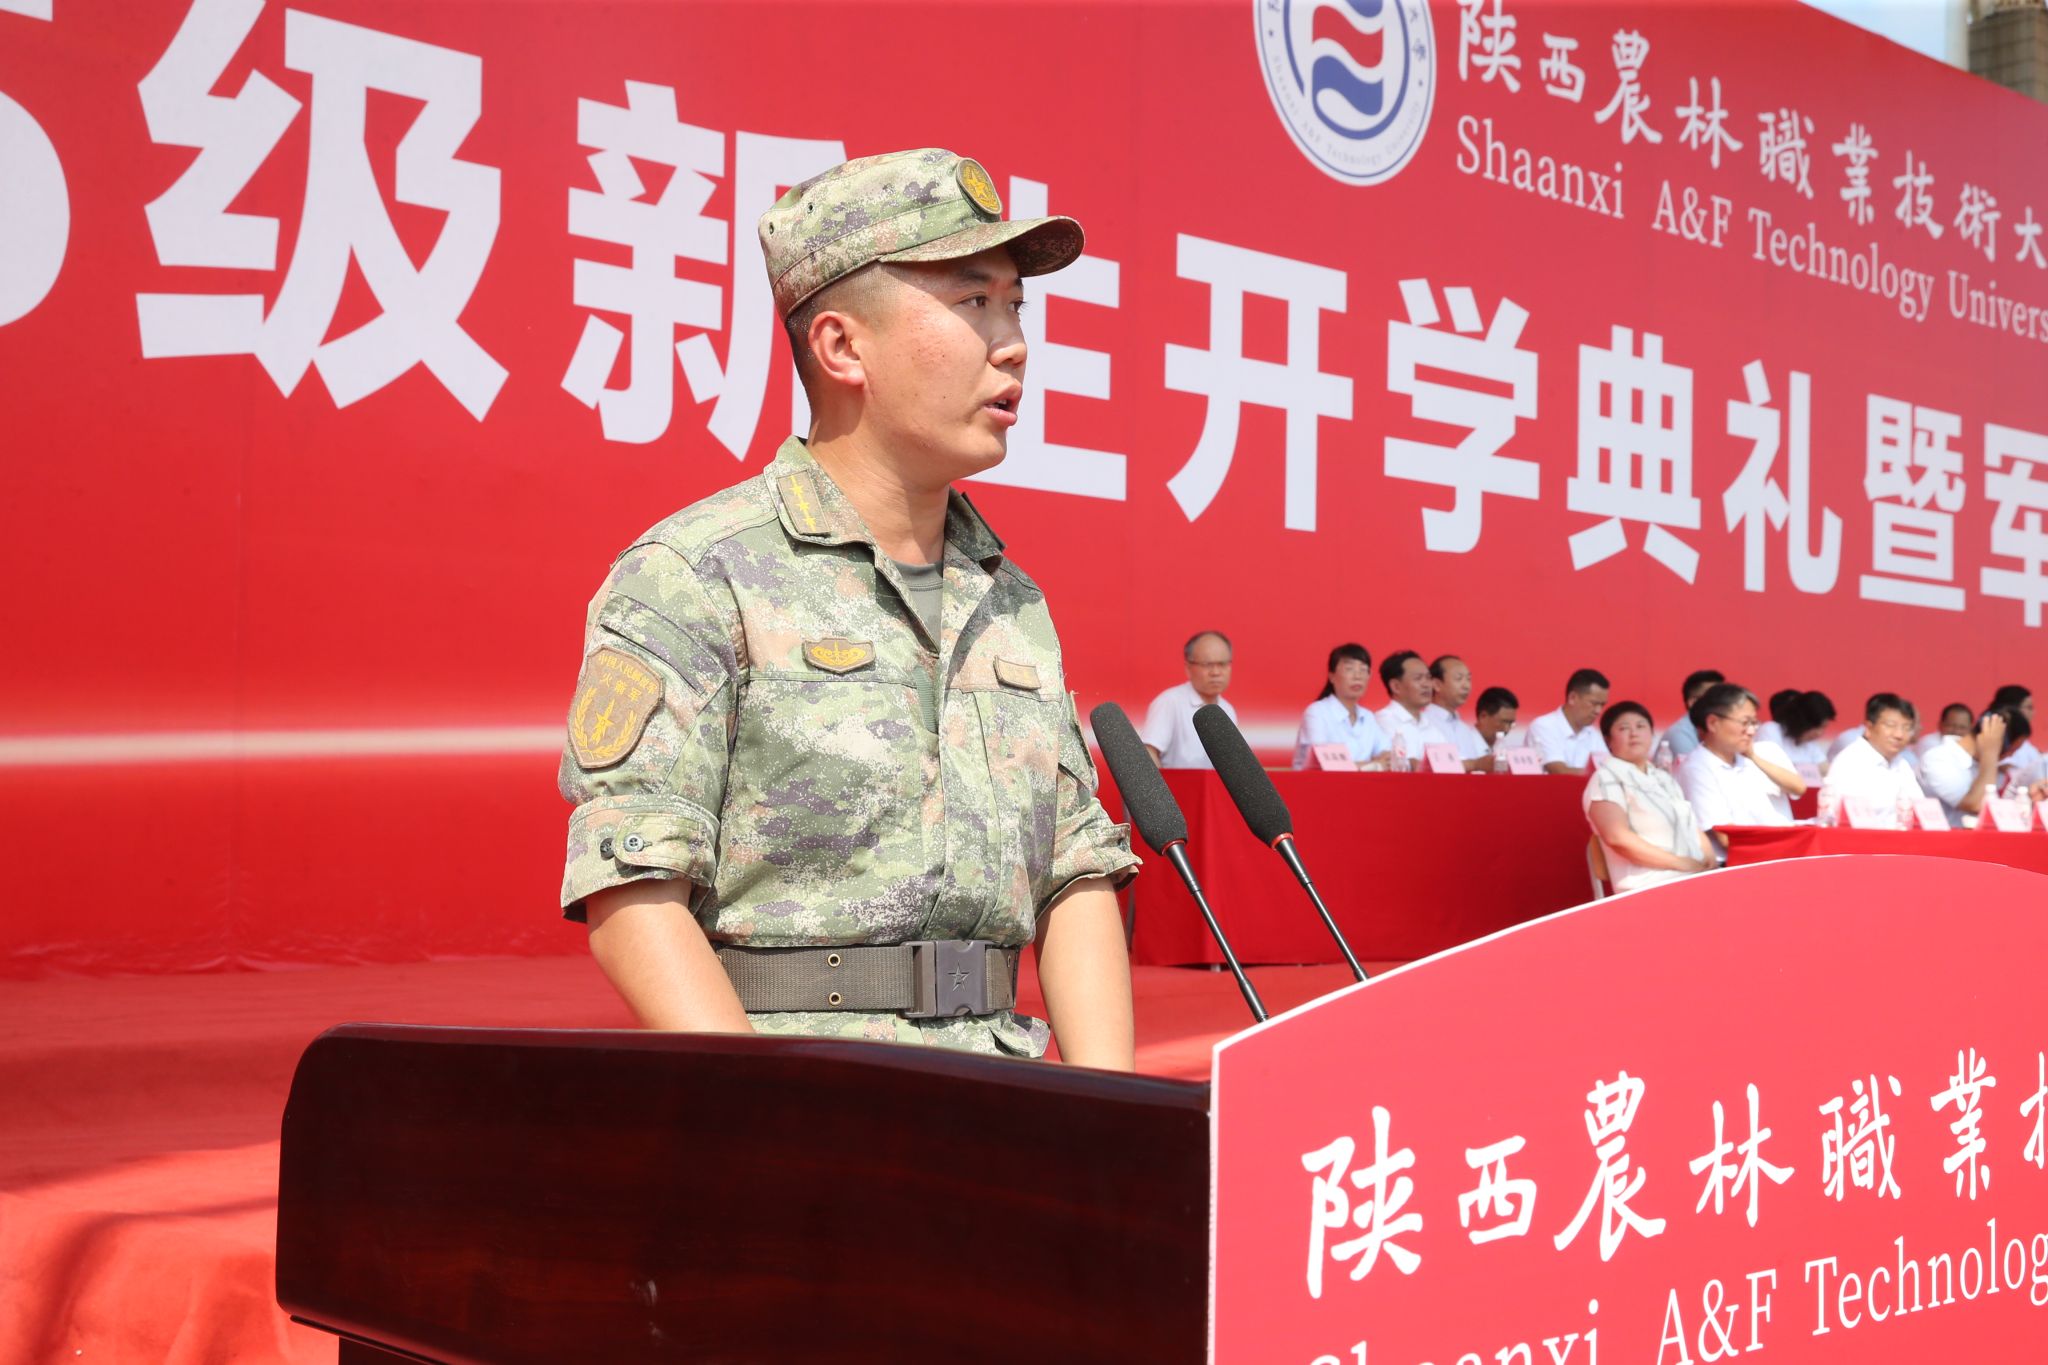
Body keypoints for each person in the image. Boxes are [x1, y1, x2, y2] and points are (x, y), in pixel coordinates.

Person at [558, 148, 1138, 1068]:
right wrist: (769, 1116)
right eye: (974, 301)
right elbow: (633, 887)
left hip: (1004, 1095)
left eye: (1016, 306)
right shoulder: (698, 574)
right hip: (805, 1092)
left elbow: (1075, 871)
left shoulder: (1010, 601)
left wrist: (1110, 1114)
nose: (1013, 343)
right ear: (840, 347)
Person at [1584, 701, 1714, 892]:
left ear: (1652, 735)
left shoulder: (1663, 777)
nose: (1634, 733)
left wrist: (1709, 858)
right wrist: (1678, 863)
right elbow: (1617, 838)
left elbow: (1690, 823)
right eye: (1623, 728)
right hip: (1649, 885)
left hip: (1692, 876)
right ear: (1608, 740)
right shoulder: (1605, 778)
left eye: (1640, 726)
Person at [1676, 682, 1805, 856]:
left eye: (1754, 723)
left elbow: (1799, 788)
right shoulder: (1697, 768)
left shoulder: (1748, 756)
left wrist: (1753, 757)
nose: (1751, 731)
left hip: (1776, 853)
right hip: (1740, 863)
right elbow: (1727, 838)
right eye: (1745, 723)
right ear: (1713, 723)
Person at [1819, 693, 1926, 826]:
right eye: (1890, 725)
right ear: (1869, 728)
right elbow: (1842, 819)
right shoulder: (1851, 762)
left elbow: (1919, 807)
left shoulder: (1901, 763)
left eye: (1906, 728)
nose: (1899, 735)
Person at [1140, 631, 1236, 768]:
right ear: (1188, 668)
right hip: (1175, 782)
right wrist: (1159, 782)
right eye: (1207, 664)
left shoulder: (1228, 709)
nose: (1216, 672)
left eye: (1222, 664)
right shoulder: (1170, 701)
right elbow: (1148, 752)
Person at [1292, 643, 1391, 769]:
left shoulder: (1368, 717)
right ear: (1331, 676)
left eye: (1363, 670)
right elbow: (1323, 764)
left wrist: (1380, 761)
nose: (1357, 676)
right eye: (1349, 669)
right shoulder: (1317, 712)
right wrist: (1372, 765)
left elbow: (1388, 755)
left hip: (1362, 781)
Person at [1920, 708, 2021, 826]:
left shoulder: (1986, 765)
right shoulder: (1938, 758)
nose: (2010, 756)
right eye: (2011, 750)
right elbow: (1977, 804)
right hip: (1944, 836)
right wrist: (1990, 753)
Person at [1374, 650, 1452, 767]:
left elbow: (1450, 765)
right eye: (1418, 678)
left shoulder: (1431, 725)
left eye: (1428, 678)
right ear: (1396, 687)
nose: (1426, 684)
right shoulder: (1383, 721)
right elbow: (1399, 764)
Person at [1530, 668, 1612, 775]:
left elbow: (1608, 768)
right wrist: (1603, 774)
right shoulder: (1544, 726)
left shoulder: (1593, 734)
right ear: (1572, 698)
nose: (1598, 711)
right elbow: (1559, 772)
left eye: (1602, 705)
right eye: (1594, 703)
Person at [1424, 655, 1495, 771]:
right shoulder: (1424, 723)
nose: (1466, 686)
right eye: (1459, 679)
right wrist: (1474, 764)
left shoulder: (1465, 729)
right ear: (1436, 684)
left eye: (1468, 679)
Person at [1661, 669, 1725, 757]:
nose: (1723, 703)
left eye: (1723, 697)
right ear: (1693, 702)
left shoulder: (1724, 728)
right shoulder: (1680, 734)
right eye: (1715, 697)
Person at [1988, 684, 2042, 788]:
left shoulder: (2027, 744)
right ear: (2013, 708)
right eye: (2029, 707)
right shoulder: (1997, 736)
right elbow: (2004, 767)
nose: (2034, 712)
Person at [1783, 690, 1837, 770]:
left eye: (1823, 727)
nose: (1819, 733)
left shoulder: (1811, 744)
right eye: (1816, 727)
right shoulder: (1772, 731)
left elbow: (1825, 769)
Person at [1473, 686, 1520, 761]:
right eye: (1503, 722)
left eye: (1511, 723)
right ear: (1483, 716)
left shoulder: (1504, 749)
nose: (1507, 729)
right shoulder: (1462, 745)